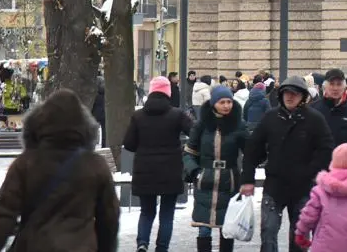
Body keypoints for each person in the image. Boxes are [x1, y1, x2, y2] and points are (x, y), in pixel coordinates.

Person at [0, 89, 119, 252]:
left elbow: (3, 215)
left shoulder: (25, 164)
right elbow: (109, 218)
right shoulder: (96, 165)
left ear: (39, 124)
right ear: (84, 127)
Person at [242, 75, 334, 252]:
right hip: (274, 185)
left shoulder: (314, 119)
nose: (290, 97)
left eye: (294, 94)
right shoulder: (270, 117)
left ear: (303, 97)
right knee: (268, 233)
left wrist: (312, 172)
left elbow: (326, 149)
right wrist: (247, 179)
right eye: (286, 93)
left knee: (299, 236)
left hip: (303, 187)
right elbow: (252, 150)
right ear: (281, 95)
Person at [124, 76, 194, 252]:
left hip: (145, 171)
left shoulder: (138, 116)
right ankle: (161, 247)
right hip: (170, 171)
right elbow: (194, 132)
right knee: (167, 214)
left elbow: (129, 144)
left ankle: (142, 243)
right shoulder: (177, 115)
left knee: (146, 212)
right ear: (168, 92)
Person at [184, 85, 246, 252]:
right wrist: (196, 172)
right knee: (204, 228)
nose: (226, 105)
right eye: (222, 102)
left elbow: (251, 152)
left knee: (227, 229)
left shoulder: (239, 125)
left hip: (229, 182)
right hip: (205, 181)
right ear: (213, 103)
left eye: (229, 102)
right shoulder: (201, 125)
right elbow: (188, 153)